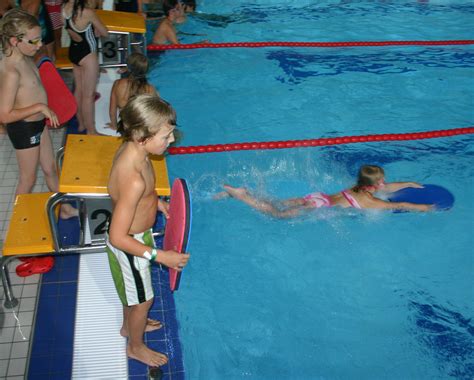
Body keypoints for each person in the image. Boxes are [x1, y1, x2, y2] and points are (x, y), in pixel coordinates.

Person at [107, 94, 190, 367]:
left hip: (133, 236)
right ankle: (135, 345)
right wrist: (159, 256)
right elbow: (117, 237)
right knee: (145, 300)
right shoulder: (132, 178)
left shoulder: (136, 152)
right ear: (142, 136)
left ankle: (127, 326)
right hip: (129, 243)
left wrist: (156, 203)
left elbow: (143, 194)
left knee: (133, 295)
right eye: (166, 136)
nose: (172, 140)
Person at [0, 8, 76, 217]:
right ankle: (16, 227)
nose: (40, 45)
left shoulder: (24, 57)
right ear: (15, 41)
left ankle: (65, 209)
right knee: (28, 179)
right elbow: (4, 115)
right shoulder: (11, 72)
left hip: (37, 123)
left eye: (39, 38)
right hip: (24, 129)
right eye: (34, 41)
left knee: (51, 168)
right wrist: (39, 107)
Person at [218, 165, 432, 218]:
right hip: (320, 205)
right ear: (371, 187)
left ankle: (240, 191)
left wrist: (410, 183)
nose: (384, 184)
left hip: (318, 197)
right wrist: (423, 207)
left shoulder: (357, 186)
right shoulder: (368, 201)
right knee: (276, 214)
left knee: (278, 202)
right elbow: (398, 205)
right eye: (380, 182)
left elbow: (388, 186)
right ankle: (242, 197)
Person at [62, 0, 108, 134]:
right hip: (88, 55)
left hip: (74, 51)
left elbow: (70, 29)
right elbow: (104, 32)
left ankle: (81, 123)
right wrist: (96, 28)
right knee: (89, 95)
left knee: (79, 90)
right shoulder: (87, 12)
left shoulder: (64, 7)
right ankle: (91, 130)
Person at [108, 52, 159, 130]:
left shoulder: (118, 84)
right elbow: (154, 113)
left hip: (127, 127)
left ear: (128, 68)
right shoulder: (150, 89)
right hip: (143, 127)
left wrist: (114, 125)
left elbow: (112, 110)